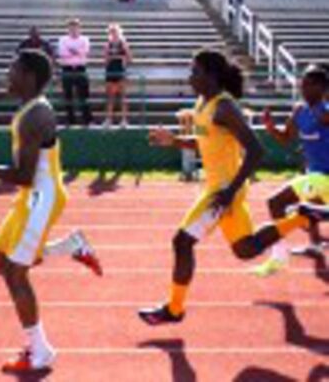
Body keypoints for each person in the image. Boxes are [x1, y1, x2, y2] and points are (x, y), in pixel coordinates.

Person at [137, 49, 327, 325]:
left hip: (223, 191)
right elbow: (204, 140)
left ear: (211, 76)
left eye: (195, 72)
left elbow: (256, 150)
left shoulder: (225, 106)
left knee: (182, 241)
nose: (190, 77)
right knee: (246, 249)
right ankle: (303, 216)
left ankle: (175, 309)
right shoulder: (203, 103)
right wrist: (175, 140)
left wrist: (229, 191)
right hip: (219, 189)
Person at [0, 51, 102, 374]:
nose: (8, 74)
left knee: (16, 274)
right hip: (31, 197)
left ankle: (40, 352)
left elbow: (24, 175)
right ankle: (71, 246)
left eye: (13, 69)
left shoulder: (36, 116)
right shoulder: (28, 111)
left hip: (41, 196)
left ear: (29, 76)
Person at [253, 65, 329, 276]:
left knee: (294, 207)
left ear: (321, 88)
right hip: (314, 174)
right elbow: (286, 138)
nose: (301, 86)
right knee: (288, 205)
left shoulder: (325, 111)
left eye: (307, 83)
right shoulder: (299, 110)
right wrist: (270, 127)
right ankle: (303, 247)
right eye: (301, 82)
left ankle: (281, 254)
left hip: (326, 177)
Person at [57, 18, 94, 126]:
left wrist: (72, 51)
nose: (73, 29)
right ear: (68, 28)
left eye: (75, 27)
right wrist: (76, 52)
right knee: (68, 95)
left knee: (84, 95)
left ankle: (87, 120)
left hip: (80, 68)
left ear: (79, 28)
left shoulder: (85, 39)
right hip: (67, 68)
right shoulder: (62, 39)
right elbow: (62, 53)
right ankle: (70, 120)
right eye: (71, 27)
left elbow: (85, 52)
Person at [103, 24, 132, 127]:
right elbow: (105, 59)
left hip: (120, 70)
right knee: (110, 96)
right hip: (111, 70)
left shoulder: (123, 43)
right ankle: (108, 119)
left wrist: (119, 57)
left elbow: (129, 57)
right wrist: (111, 57)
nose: (113, 34)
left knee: (123, 96)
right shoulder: (108, 44)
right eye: (111, 32)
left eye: (115, 31)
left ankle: (124, 120)